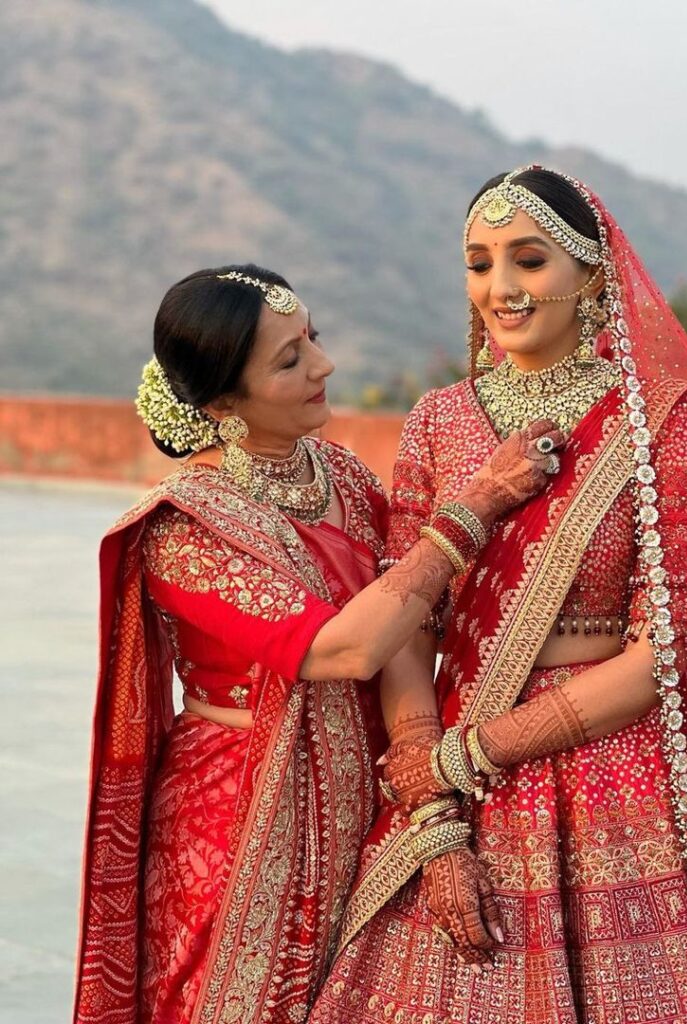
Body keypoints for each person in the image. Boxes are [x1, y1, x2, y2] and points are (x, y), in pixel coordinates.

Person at [309, 169, 687, 1024]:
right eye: (478, 264)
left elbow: (672, 648)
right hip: (448, 775)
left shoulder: (664, 419)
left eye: (528, 260)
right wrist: (434, 809)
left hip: (610, 774)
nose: (500, 289)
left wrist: (472, 755)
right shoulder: (438, 419)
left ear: (591, 272)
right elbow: (407, 624)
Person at [72, 265, 558, 1024]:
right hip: (238, 819)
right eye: (289, 360)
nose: (322, 367)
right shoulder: (185, 526)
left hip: (366, 795)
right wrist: (477, 504)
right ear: (224, 403)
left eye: (313, 341)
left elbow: (406, 620)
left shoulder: (339, 474)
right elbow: (342, 650)